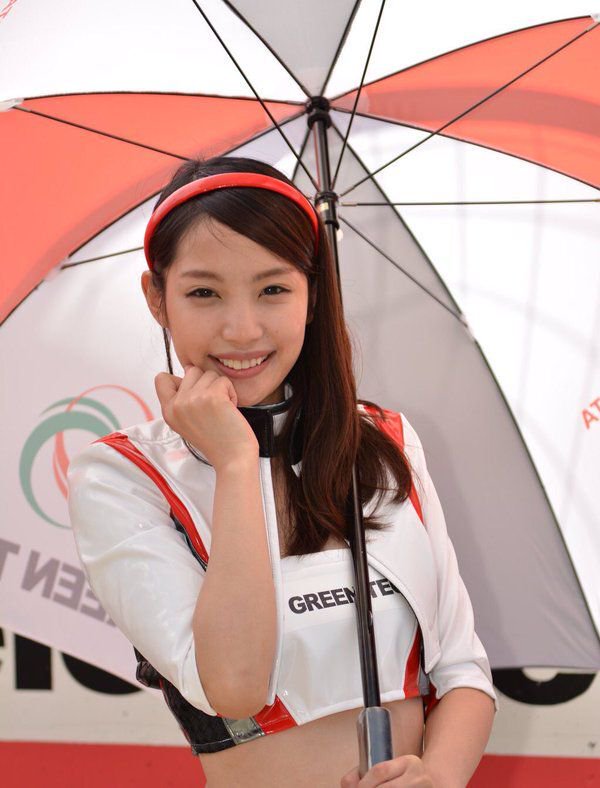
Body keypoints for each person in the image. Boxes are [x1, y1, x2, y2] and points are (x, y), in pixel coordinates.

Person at [67, 155, 498, 787]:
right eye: (204, 292)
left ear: (313, 294)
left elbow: (462, 671)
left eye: (273, 289)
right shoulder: (122, 476)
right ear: (157, 298)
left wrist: (437, 778)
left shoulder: (384, 440)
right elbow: (235, 689)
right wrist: (238, 462)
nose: (242, 329)